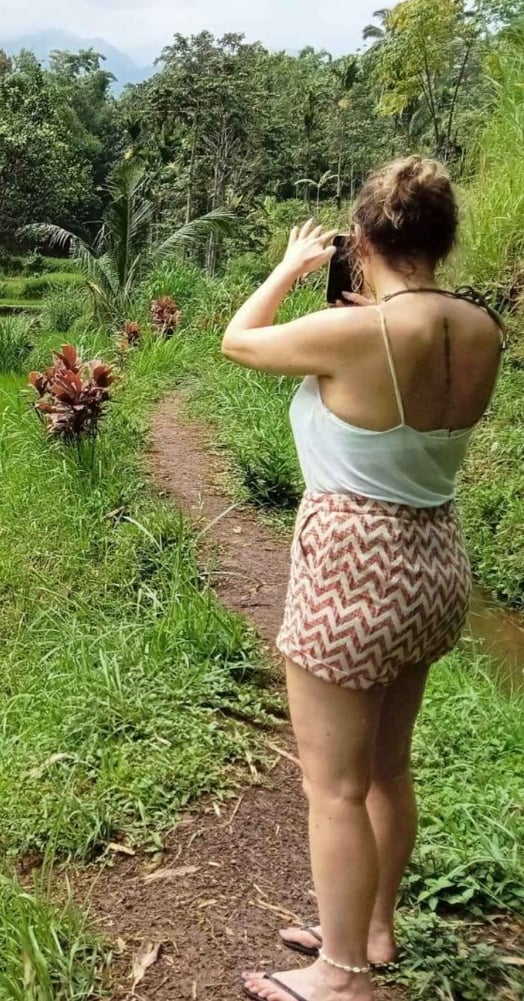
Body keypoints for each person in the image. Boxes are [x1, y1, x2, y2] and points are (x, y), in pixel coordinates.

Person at [220, 155, 506, 1001]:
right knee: (388, 768)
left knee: (333, 786)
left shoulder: (356, 332)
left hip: (353, 564)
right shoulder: (481, 325)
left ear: (366, 237)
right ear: (443, 239)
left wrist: (286, 268)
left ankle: (338, 975)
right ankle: (372, 930)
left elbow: (236, 340)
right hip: (435, 562)